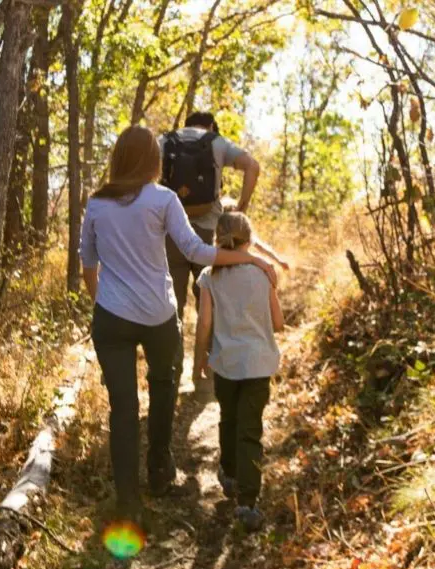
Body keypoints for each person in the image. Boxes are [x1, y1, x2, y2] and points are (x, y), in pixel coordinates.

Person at [79, 125, 276, 523]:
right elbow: (197, 251)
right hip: (158, 316)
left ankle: (129, 502)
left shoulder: (97, 204)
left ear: (118, 158)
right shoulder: (163, 199)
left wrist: (104, 301)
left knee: (122, 406)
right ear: (155, 161)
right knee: (165, 384)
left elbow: (88, 265)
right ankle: (159, 469)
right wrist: (249, 258)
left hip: (112, 319)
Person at [193, 211, 284, 532]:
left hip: (226, 364)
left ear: (217, 239)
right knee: (250, 429)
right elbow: (278, 322)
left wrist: (200, 358)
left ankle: (229, 473)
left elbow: (204, 323)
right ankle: (247, 502)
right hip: (258, 364)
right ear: (249, 239)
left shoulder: (209, 276)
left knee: (229, 419)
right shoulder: (264, 274)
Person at [159, 111, 261, 384]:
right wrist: (241, 209)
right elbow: (253, 166)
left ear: (186, 124)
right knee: (212, 302)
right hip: (208, 234)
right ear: (211, 126)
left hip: (171, 234)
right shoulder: (217, 142)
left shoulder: (165, 142)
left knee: (173, 304)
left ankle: (172, 372)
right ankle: (208, 372)